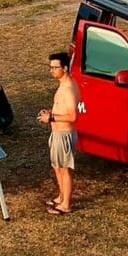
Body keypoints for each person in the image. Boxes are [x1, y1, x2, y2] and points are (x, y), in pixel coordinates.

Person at [38, 52, 80, 215]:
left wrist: (51, 117)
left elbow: (72, 116)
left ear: (65, 68)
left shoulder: (69, 89)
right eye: (50, 68)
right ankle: (61, 197)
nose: (52, 71)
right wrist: (50, 112)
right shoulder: (63, 85)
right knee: (58, 168)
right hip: (57, 135)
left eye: (55, 68)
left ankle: (66, 205)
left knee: (65, 169)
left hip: (63, 135)